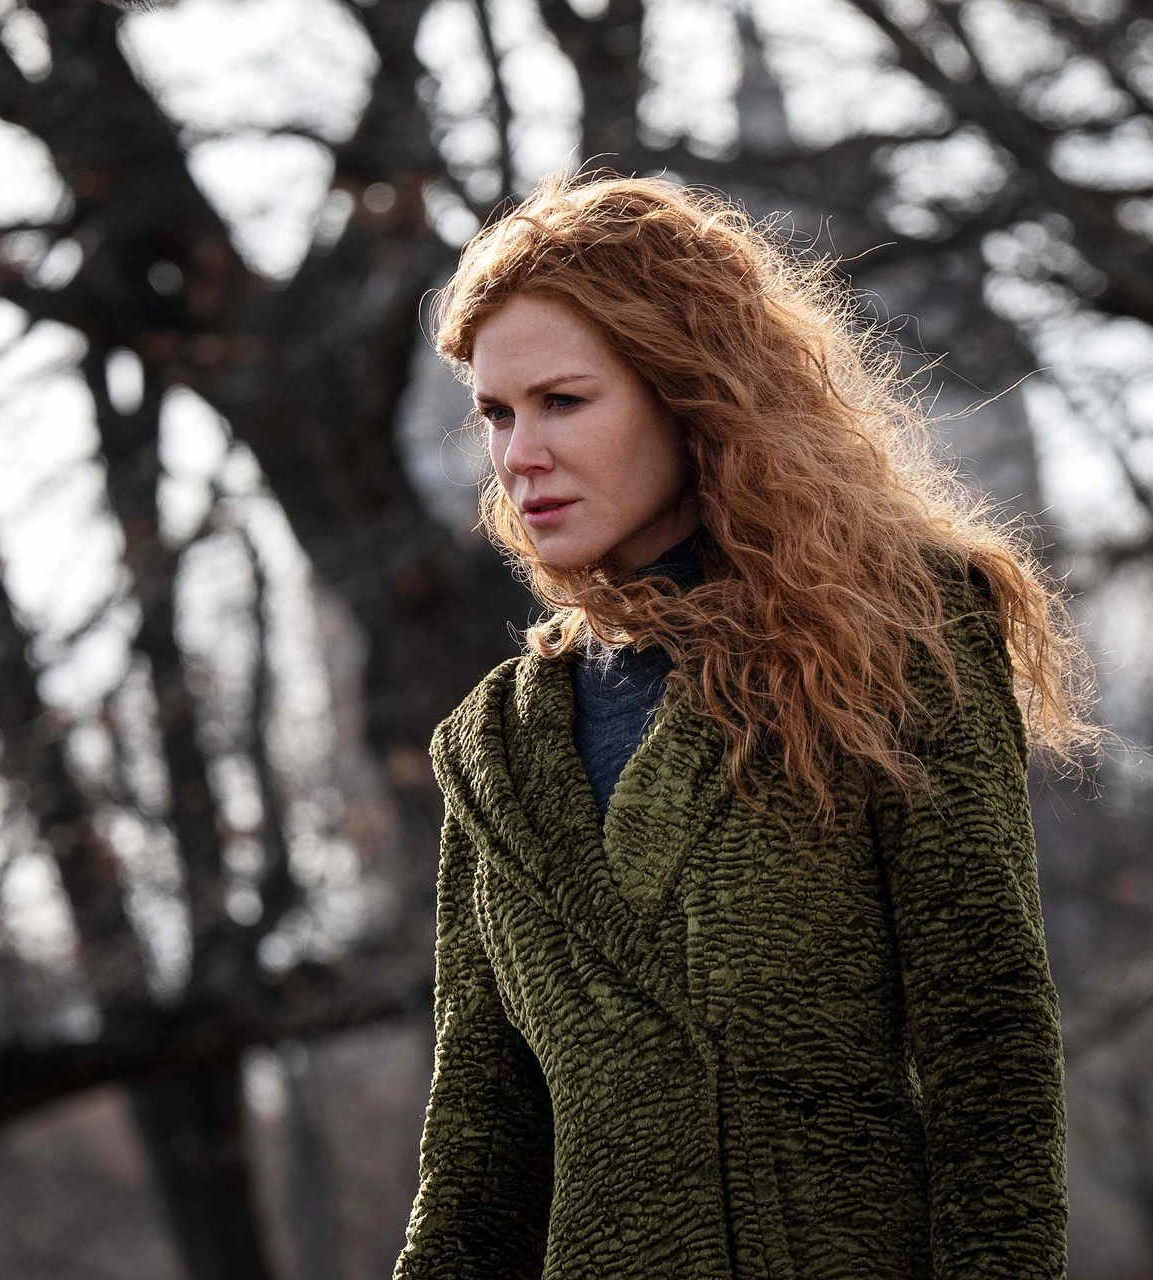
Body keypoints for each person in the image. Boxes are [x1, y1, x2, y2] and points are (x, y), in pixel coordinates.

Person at [392, 170, 1096, 1280]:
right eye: (496, 412)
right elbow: (480, 1165)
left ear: (689, 390)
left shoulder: (896, 636)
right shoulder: (498, 748)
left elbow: (987, 1046)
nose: (519, 454)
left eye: (563, 401)